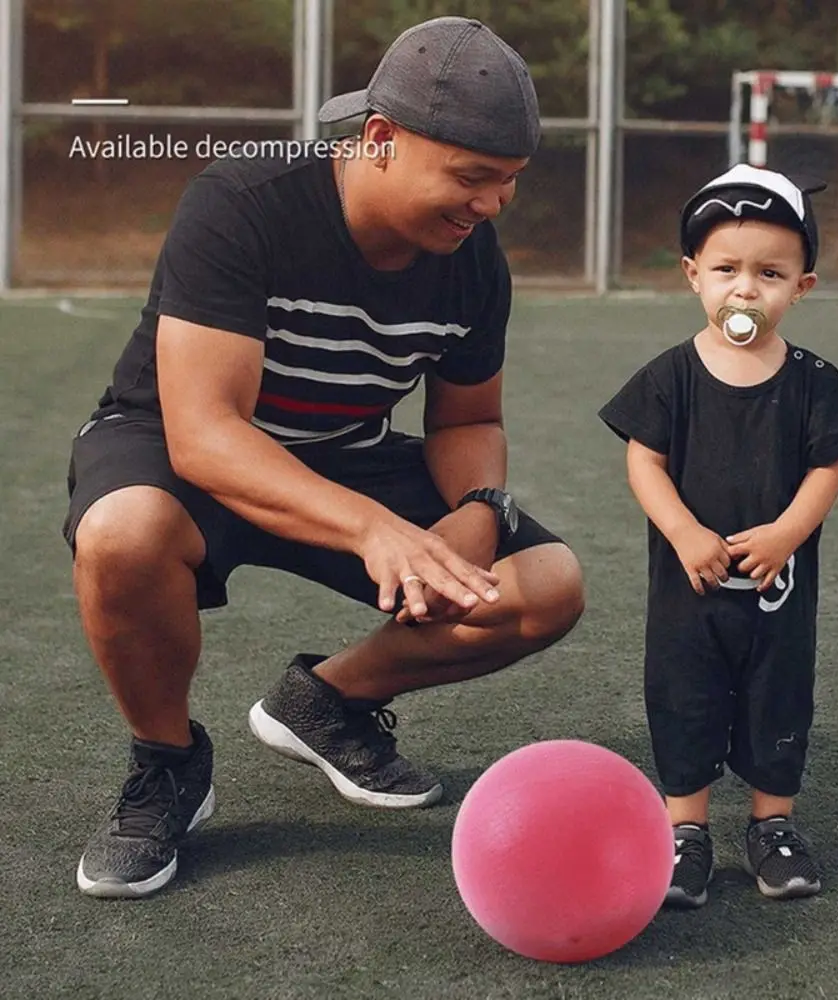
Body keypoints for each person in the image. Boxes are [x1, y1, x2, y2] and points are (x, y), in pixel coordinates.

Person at [63, 16, 585, 899]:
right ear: (380, 139)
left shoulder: (474, 261)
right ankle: (168, 765)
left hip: (351, 453)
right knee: (122, 535)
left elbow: (468, 419)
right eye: (472, 177)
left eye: (509, 184)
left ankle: (323, 703)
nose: (492, 205)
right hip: (185, 455)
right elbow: (206, 434)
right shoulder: (246, 201)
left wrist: (476, 511)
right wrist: (377, 533)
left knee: (545, 589)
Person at [598, 164, 838, 908]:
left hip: (776, 596)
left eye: (770, 272)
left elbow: (828, 468)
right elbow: (644, 461)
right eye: (727, 269)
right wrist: (684, 529)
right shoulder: (670, 377)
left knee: (776, 698)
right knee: (684, 697)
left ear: (802, 287)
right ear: (694, 275)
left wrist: (788, 532)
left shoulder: (814, 381)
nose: (746, 289)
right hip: (687, 596)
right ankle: (685, 830)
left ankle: (772, 826)